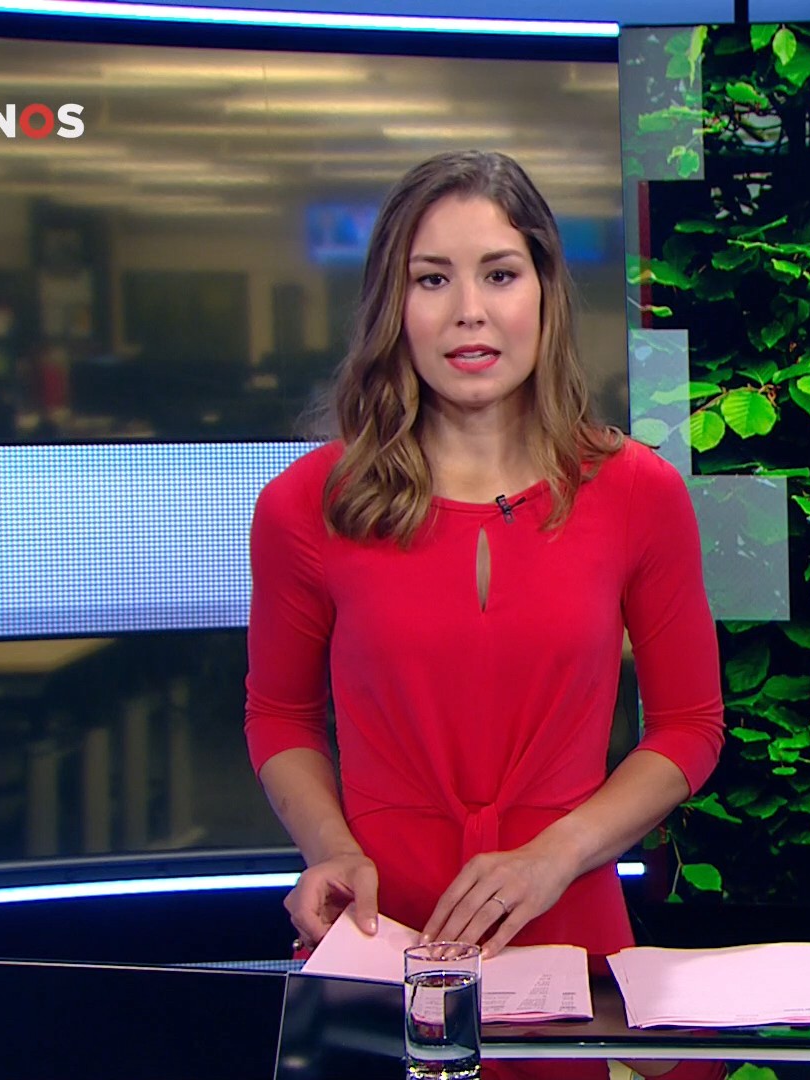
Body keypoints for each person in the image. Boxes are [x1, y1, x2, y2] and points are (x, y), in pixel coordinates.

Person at [244, 150, 725, 967]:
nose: (469, 312)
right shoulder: (305, 504)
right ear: (393, 305)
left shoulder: (639, 493)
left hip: (570, 932)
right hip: (379, 938)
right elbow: (280, 717)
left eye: (499, 275)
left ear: (544, 292)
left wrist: (556, 855)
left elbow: (689, 728)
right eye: (432, 280)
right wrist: (330, 849)